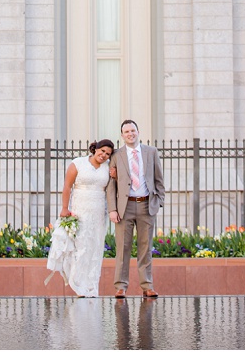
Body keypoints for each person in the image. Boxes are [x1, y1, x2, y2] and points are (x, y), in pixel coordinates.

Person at [106, 118, 166, 299]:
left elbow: (159, 179)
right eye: (126, 132)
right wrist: (112, 209)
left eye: (133, 131)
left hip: (147, 205)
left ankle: (147, 286)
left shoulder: (151, 152)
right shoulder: (116, 155)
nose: (130, 134)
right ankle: (120, 287)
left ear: (138, 132)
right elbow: (111, 185)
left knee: (145, 247)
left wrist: (159, 200)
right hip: (125, 206)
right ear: (122, 135)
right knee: (122, 248)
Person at [47, 138, 113, 297]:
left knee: (95, 248)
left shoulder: (108, 168)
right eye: (102, 151)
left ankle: (91, 286)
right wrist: (64, 208)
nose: (104, 155)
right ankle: (78, 284)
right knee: (81, 246)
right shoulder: (78, 163)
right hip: (80, 211)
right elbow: (67, 187)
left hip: (98, 212)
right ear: (95, 149)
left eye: (108, 154)